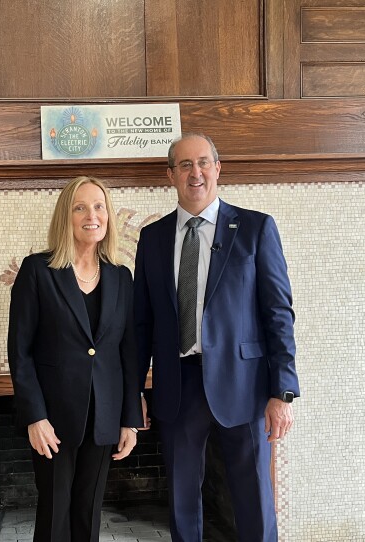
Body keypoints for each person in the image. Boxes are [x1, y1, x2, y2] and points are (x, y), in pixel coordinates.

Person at [133, 134, 300, 542]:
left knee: (254, 499)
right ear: (170, 174)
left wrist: (283, 391)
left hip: (246, 386)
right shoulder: (151, 239)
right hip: (177, 386)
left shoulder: (256, 228)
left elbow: (278, 314)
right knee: (181, 503)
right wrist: (133, 389)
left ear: (218, 168)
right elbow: (142, 323)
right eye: (185, 165)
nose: (196, 173)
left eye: (204, 162)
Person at [7, 176, 143, 542]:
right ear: (65, 217)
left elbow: (128, 355)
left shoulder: (121, 277)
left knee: (88, 513)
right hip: (53, 420)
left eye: (99, 206)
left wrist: (130, 420)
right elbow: (20, 352)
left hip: (104, 418)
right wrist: (35, 416)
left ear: (109, 216)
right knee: (55, 514)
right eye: (79, 207)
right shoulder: (38, 271)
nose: (91, 215)